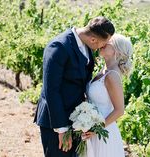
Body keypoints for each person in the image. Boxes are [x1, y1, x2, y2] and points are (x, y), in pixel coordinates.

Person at [33, 16, 115, 157]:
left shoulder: (87, 46)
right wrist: (61, 129)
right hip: (55, 121)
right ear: (93, 39)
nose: (103, 47)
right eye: (103, 43)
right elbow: (51, 90)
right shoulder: (59, 46)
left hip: (77, 120)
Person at [84, 34, 133, 157]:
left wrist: (97, 129)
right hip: (93, 132)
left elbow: (119, 110)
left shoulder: (112, 75)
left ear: (117, 50)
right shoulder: (103, 71)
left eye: (108, 42)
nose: (103, 42)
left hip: (103, 134)